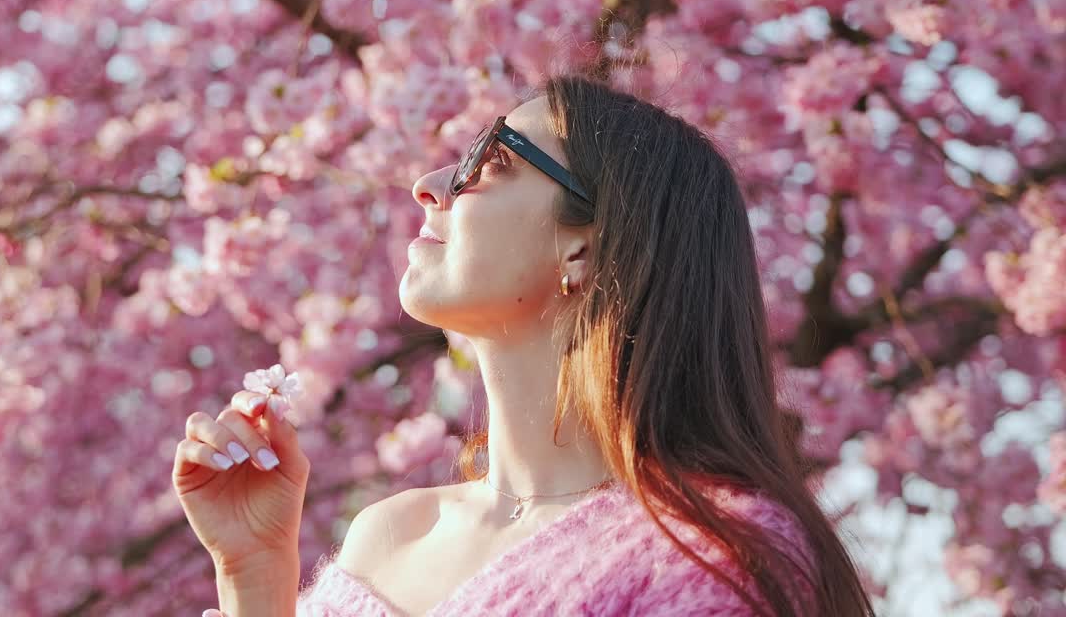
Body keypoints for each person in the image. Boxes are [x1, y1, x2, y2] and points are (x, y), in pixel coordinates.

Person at [173, 75, 877, 616]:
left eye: (493, 159)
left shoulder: (713, 553)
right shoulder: (389, 536)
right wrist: (254, 577)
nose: (429, 186)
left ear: (587, 245)